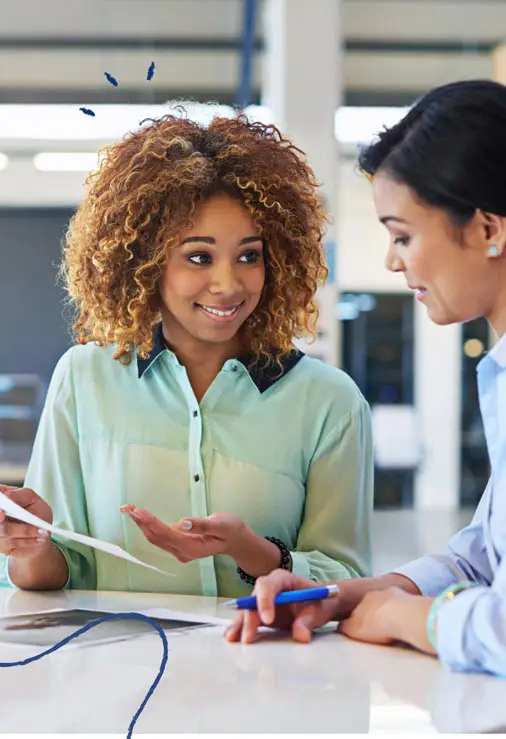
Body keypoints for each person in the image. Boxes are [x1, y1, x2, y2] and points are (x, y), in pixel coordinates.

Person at [0, 112, 373, 596]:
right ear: (146, 262)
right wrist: (30, 547)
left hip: (265, 667)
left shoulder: (329, 402)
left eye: (250, 256)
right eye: (198, 257)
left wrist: (250, 550)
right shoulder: (85, 379)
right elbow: (54, 577)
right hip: (120, 668)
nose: (227, 284)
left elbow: (345, 579)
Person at [226, 80, 506, 678]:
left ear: (488, 230)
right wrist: (353, 595)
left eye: (402, 234)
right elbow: (486, 549)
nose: (391, 260)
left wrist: (409, 619)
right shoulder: (499, 373)